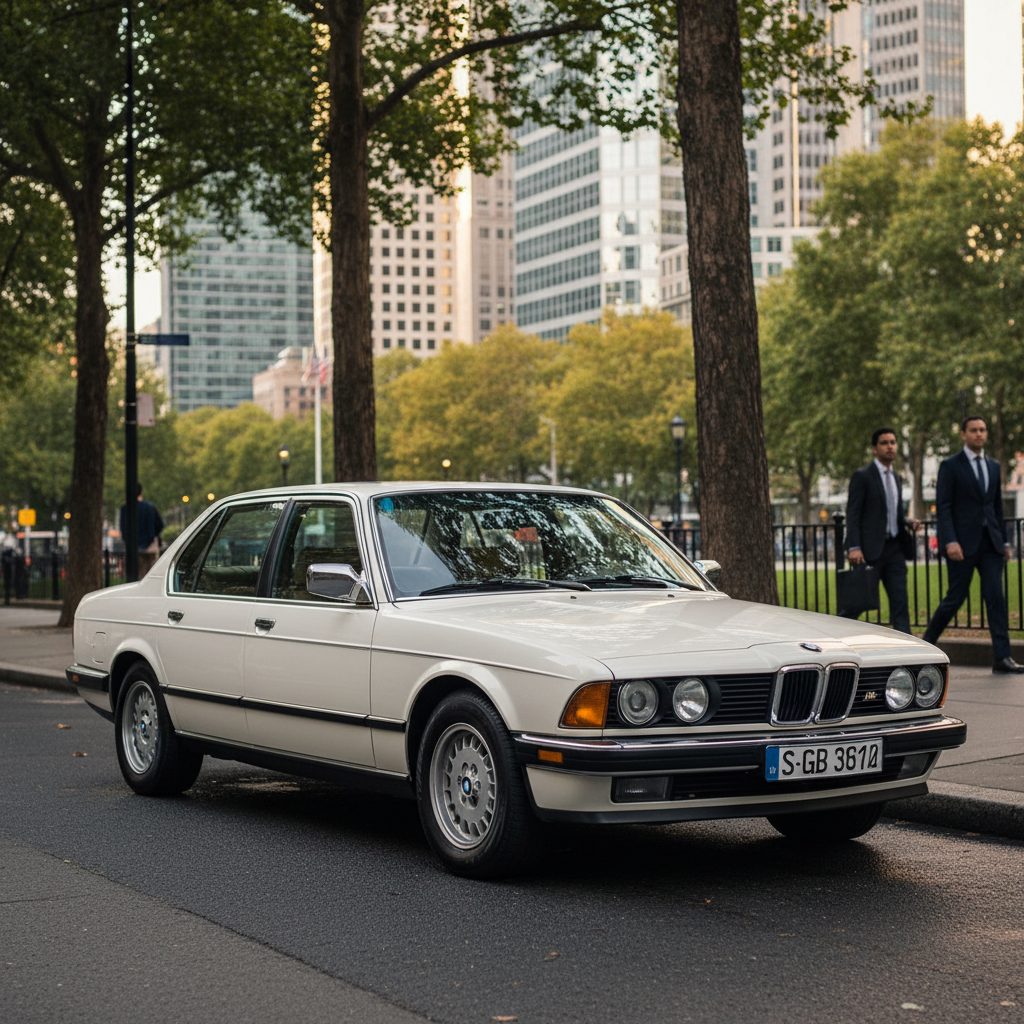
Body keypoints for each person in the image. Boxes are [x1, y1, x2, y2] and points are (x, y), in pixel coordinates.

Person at [922, 416, 1024, 674]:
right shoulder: (950, 466)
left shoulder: (993, 466)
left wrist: (1004, 541)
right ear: (963, 434)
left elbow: (996, 507)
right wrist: (950, 541)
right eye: (974, 430)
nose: (979, 434)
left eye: (983, 430)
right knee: (955, 598)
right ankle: (924, 646)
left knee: (996, 597)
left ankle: (1003, 658)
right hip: (961, 545)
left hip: (991, 544)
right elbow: (944, 507)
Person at [845, 428, 916, 633]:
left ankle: (907, 648)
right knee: (857, 604)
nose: (890, 447)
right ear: (874, 449)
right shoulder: (862, 476)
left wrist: (908, 522)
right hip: (869, 551)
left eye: (893, 442)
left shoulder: (897, 478)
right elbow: (853, 513)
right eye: (884, 443)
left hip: (894, 549)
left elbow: (892, 513)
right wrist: (854, 546)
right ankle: (836, 638)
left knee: (900, 604)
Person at [119, 483, 164, 577]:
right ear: (141, 492)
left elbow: (123, 528)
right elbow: (160, 525)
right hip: (149, 549)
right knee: (148, 575)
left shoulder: (125, 509)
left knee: (133, 577)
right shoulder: (150, 507)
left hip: (132, 549)